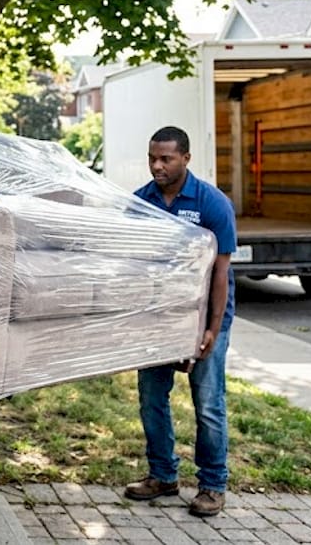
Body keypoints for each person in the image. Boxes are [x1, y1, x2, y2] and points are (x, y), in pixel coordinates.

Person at [124, 126, 236, 517]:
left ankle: (212, 485)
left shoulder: (212, 204)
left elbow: (220, 273)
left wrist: (212, 328)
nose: (157, 165)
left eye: (166, 159)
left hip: (205, 315)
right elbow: (132, 266)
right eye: (153, 157)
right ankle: (162, 476)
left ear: (186, 158)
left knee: (207, 403)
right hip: (159, 318)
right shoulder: (141, 202)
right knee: (152, 397)